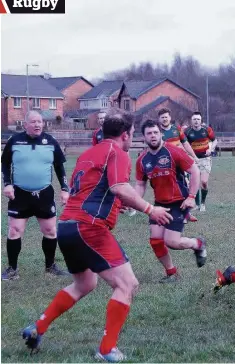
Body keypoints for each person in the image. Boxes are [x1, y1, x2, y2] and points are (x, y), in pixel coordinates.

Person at [21, 110, 173, 362]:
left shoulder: (87, 153)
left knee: (85, 284)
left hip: (67, 225)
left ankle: (38, 327)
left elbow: (94, 189)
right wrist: (150, 208)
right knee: (127, 284)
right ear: (125, 135)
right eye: (132, 134)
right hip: (88, 227)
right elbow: (117, 187)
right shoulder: (119, 152)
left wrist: (116, 204)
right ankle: (106, 349)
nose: (131, 138)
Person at [135, 120, 207, 283]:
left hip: (178, 202)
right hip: (159, 204)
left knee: (172, 242)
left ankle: (198, 243)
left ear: (161, 134)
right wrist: (133, 200)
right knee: (155, 241)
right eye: (149, 133)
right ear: (144, 137)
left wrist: (191, 197)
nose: (153, 136)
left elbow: (194, 170)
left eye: (155, 132)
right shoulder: (142, 160)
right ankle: (172, 273)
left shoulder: (174, 152)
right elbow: (140, 184)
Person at [1, 111, 70, 280]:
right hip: (19, 195)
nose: (38, 125)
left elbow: (60, 168)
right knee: (14, 231)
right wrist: (7, 184)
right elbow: (5, 164)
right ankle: (12, 270)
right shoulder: (14, 141)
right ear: (25, 124)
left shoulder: (51, 142)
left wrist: (65, 188)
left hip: (44, 194)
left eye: (40, 121)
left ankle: (50, 267)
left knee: (50, 231)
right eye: (33, 122)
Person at [184, 111, 217, 212]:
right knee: (194, 182)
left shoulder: (206, 130)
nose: (196, 121)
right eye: (194, 119)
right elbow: (184, 144)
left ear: (201, 121)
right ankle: (197, 204)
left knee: (204, 182)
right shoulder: (187, 131)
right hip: (193, 160)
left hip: (205, 159)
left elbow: (215, 140)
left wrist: (210, 149)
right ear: (191, 121)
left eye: (198, 119)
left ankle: (203, 202)